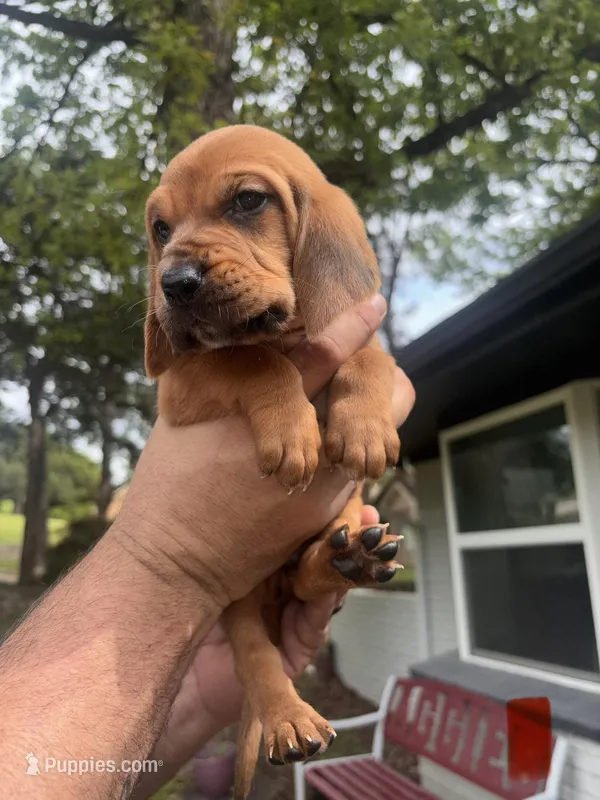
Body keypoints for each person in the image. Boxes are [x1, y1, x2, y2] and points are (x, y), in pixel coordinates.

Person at [0, 295, 415, 799]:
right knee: (245, 624)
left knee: (325, 556)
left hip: (317, 538)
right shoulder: (209, 348)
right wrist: (176, 563)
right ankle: (279, 698)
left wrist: (361, 400)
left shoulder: (317, 305)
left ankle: (331, 563)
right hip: (242, 579)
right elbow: (177, 395)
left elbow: (380, 372)